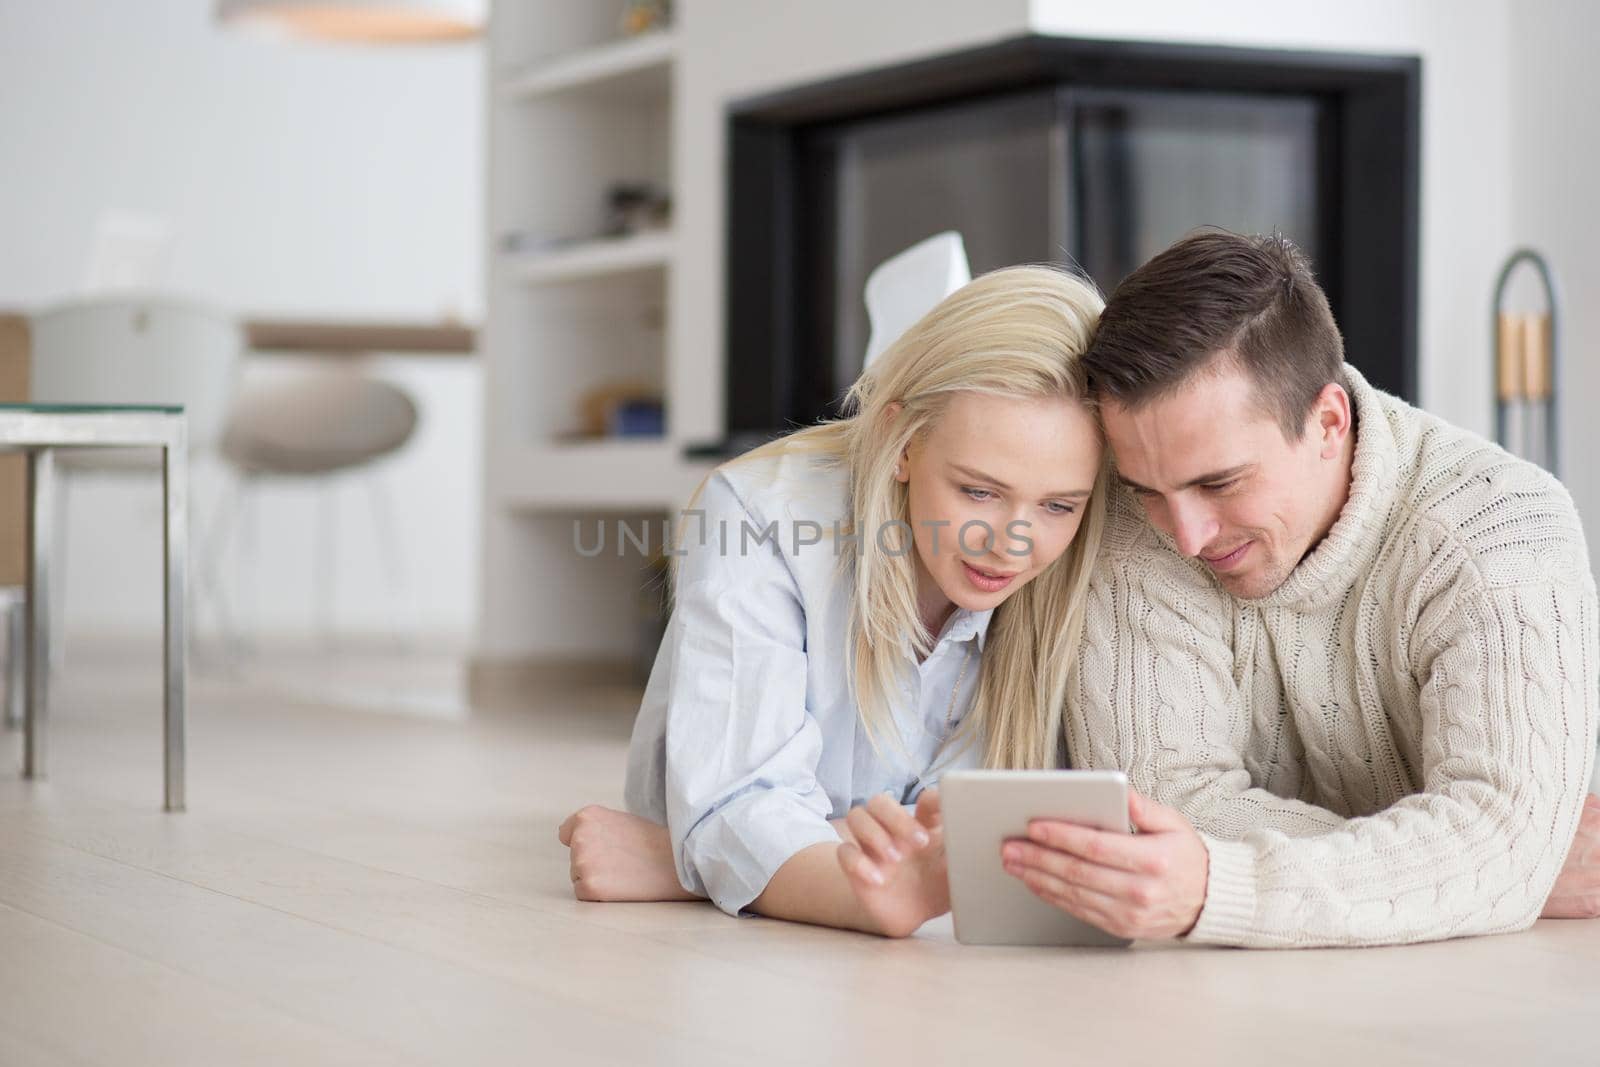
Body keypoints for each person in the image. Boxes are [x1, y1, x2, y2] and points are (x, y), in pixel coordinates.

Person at [966, 230, 1600, 947]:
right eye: (1149, 490)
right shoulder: (1133, 512)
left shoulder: (1502, 530)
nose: (1187, 535)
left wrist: (1493, 853)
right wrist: (1460, 863)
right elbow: (1166, 805)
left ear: (1328, 421)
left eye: (1220, 482)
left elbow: (1496, 839)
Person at [559, 265, 1111, 936]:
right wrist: (867, 886)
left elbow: (989, 837)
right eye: (979, 492)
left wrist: (686, 863)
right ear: (901, 441)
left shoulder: (1088, 557)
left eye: (1057, 505)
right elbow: (743, 805)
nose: (1013, 544)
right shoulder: (758, 514)